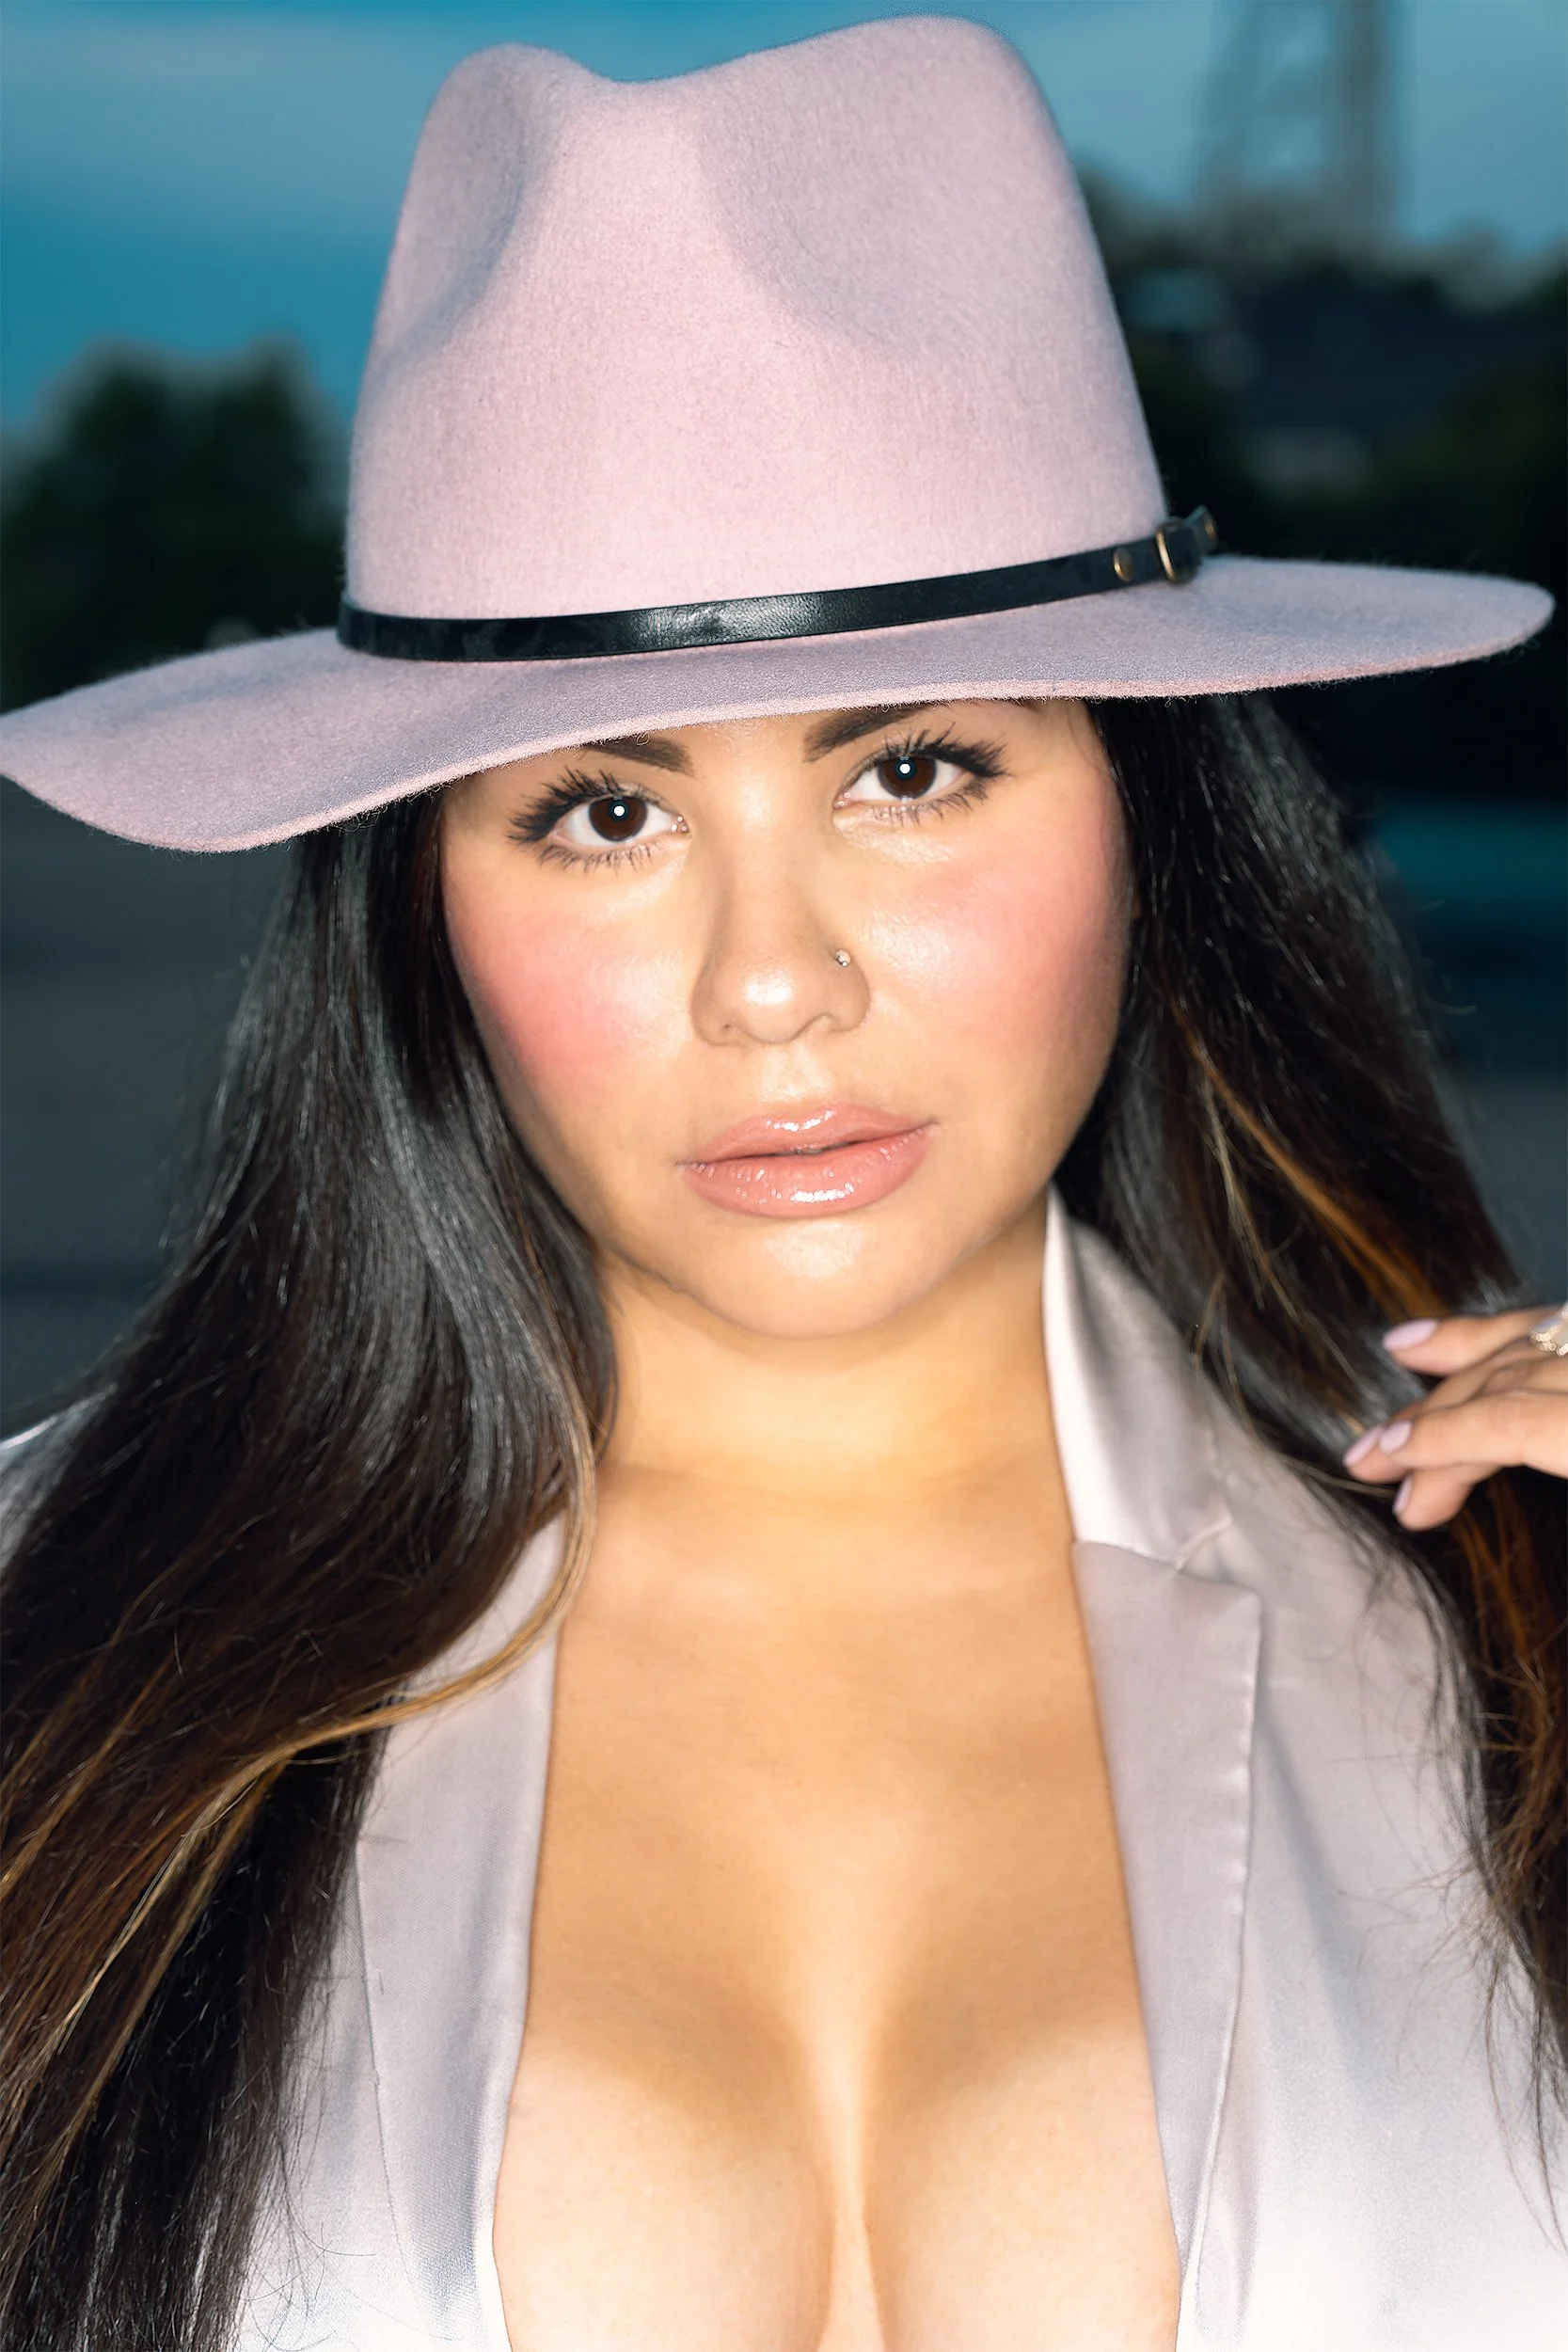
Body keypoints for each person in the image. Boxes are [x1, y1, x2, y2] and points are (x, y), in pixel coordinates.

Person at [0, 19, 1562, 2351]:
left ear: (1144, 817)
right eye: (602, 811)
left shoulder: (1506, 1614)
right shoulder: (54, 1649)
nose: (769, 984)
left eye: (912, 768)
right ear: (420, 897)